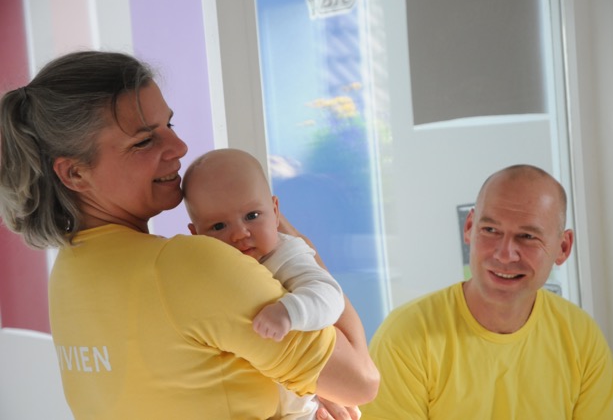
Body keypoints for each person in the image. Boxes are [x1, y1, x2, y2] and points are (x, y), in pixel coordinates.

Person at [0, 50, 378, 419]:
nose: (179, 148)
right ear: (75, 173)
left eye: (170, 125)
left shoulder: (68, 272)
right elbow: (360, 382)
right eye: (144, 141)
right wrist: (293, 241)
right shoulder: (190, 266)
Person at [360, 165, 613, 419]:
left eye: (527, 236)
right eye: (490, 230)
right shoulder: (404, 337)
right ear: (469, 228)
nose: (505, 254)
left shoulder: (581, 336)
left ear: (563, 248)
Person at [182, 148, 348, 419]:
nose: (239, 233)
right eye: (219, 226)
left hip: (301, 407)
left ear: (275, 211)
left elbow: (329, 296)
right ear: (196, 234)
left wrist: (289, 312)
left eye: (252, 216)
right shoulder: (210, 271)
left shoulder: (288, 254)